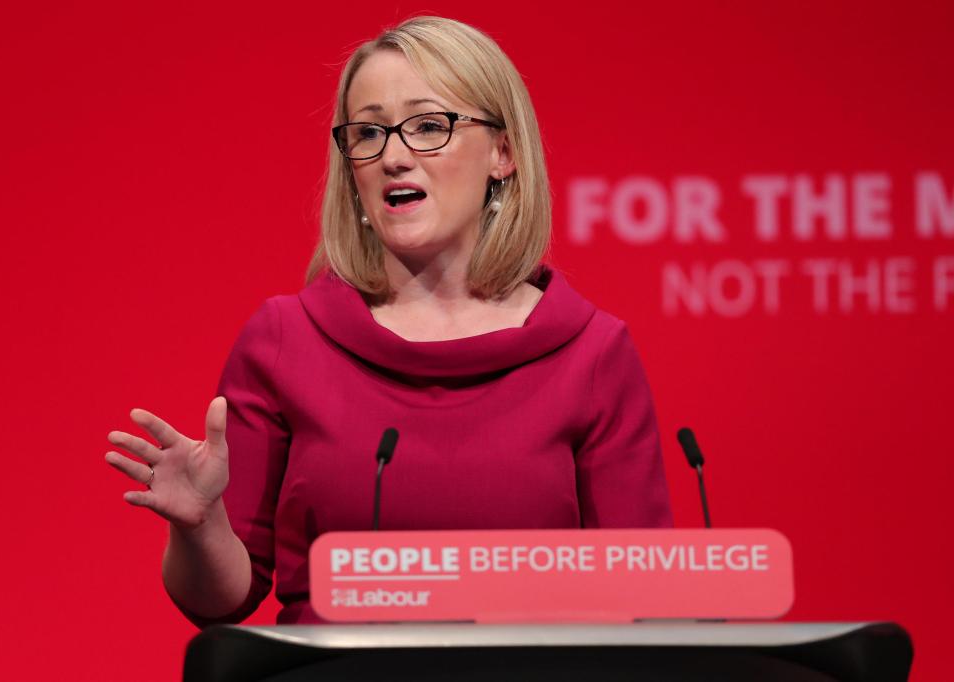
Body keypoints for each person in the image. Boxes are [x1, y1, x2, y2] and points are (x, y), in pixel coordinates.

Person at [104, 16, 672, 627]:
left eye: (429, 126)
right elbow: (221, 600)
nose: (394, 157)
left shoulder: (591, 353)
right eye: (369, 132)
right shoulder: (284, 341)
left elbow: (643, 604)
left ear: (503, 153)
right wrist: (200, 524)